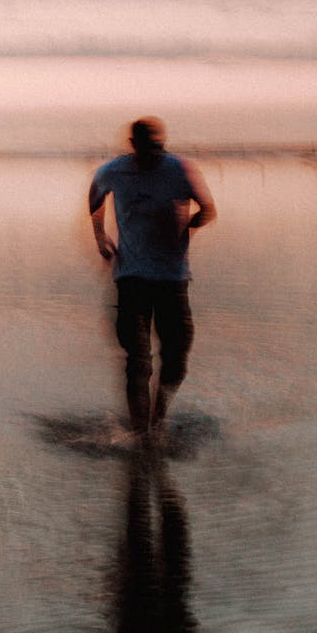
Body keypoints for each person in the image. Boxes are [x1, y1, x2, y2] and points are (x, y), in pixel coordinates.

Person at [89, 117, 216, 439]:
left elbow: (208, 209)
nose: (153, 154)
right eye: (147, 148)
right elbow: (95, 201)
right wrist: (100, 237)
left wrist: (188, 227)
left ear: (162, 144)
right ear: (133, 145)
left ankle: (158, 417)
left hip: (172, 278)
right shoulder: (114, 171)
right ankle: (140, 433)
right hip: (131, 276)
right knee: (137, 359)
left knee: (176, 357)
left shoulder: (178, 169)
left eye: (157, 147)